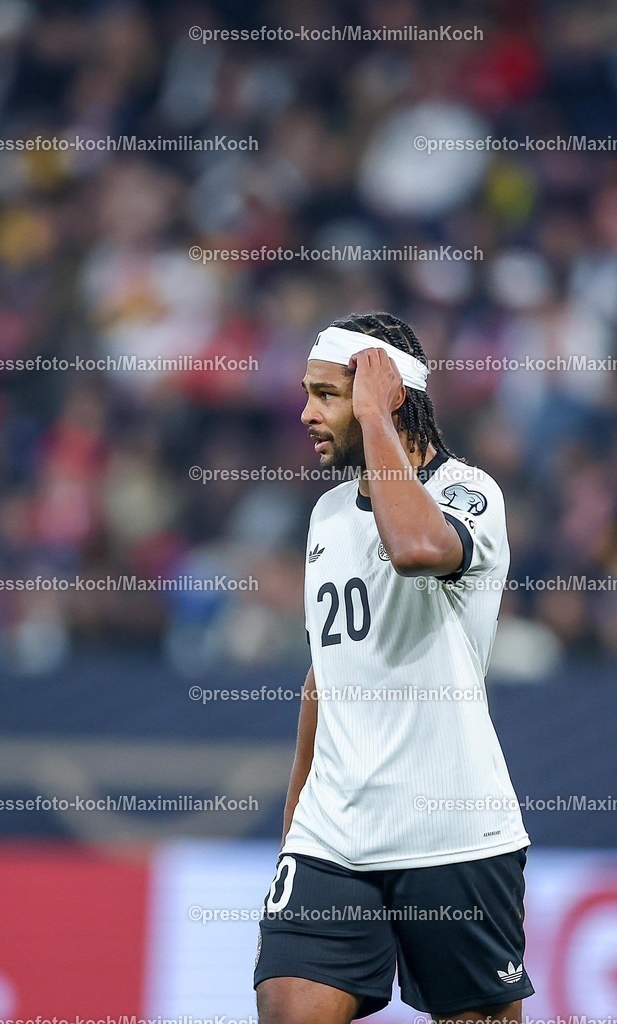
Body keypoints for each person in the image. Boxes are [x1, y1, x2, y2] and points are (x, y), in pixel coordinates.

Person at [254, 312, 534, 1024]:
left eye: (326, 394)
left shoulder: (469, 494)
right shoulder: (323, 515)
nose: (305, 412)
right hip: (333, 838)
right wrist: (296, 828)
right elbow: (324, 675)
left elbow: (413, 546)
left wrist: (376, 413)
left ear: (386, 399)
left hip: (452, 832)